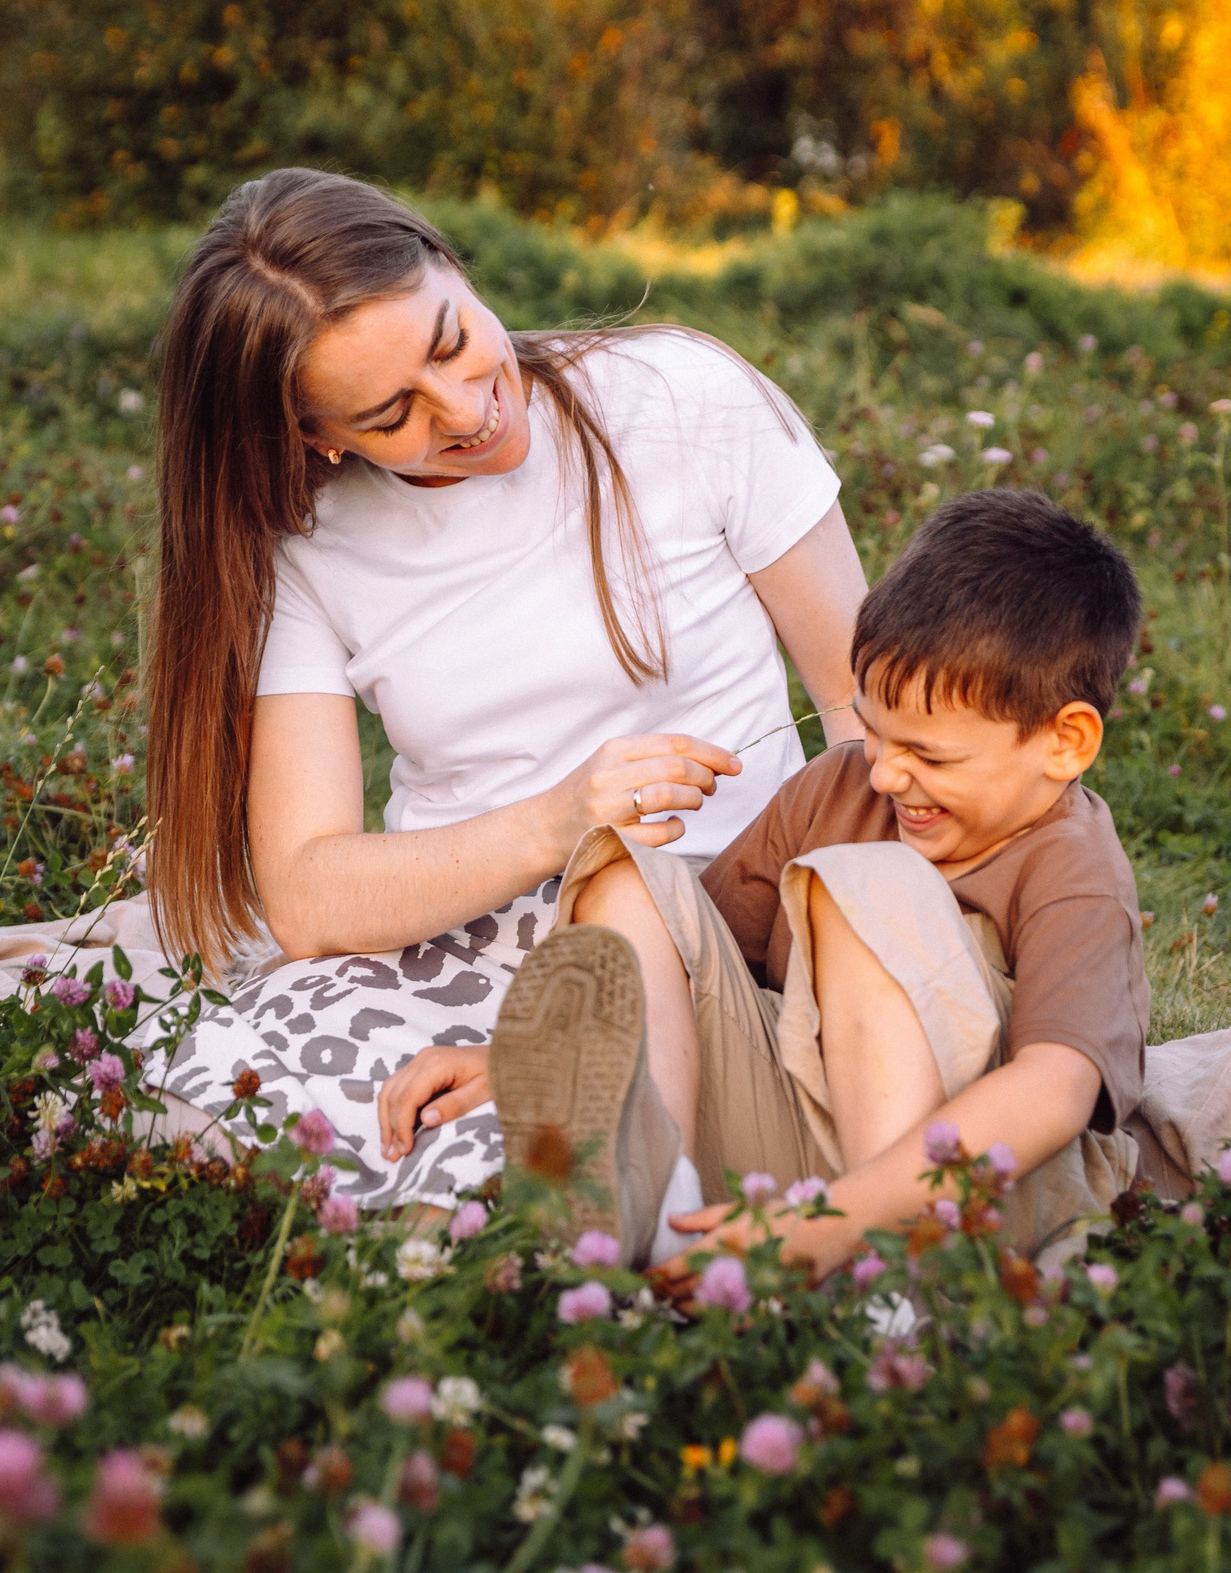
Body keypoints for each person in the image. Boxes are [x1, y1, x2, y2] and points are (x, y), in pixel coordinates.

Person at [136, 168, 867, 1206]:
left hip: (715, 923)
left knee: (555, 1157)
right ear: (318, 437)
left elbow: (858, 698)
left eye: (449, 342)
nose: (466, 410)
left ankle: (616, 1198)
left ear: (451, 263)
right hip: (456, 940)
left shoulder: (682, 396)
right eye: (393, 413)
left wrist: (836, 955)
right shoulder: (306, 547)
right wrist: (552, 824)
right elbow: (304, 896)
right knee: (222, 1102)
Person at [402, 487, 1150, 1270]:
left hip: (978, 1194)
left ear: (1065, 742)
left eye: (930, 756)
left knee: (873, 887)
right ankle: (658, 1210)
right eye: (872, 729)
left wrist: (844, 1219)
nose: (889, 775)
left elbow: (1055, 1090)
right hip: (806, 1160)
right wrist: (530, 1056)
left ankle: (893, 1285)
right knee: (633, 879)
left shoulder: (1075, 868)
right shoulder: (836, 787)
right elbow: (697, 968)